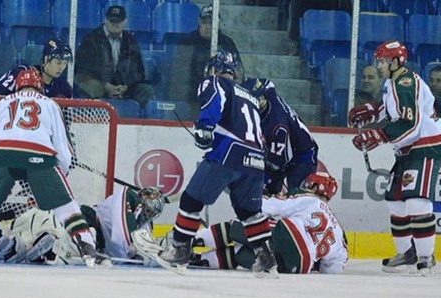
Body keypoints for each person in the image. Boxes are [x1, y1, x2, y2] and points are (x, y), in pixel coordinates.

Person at [134, 49, 277, 277]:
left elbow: (213, 101)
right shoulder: (250, 95)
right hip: (256, 159)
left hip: (228, 154)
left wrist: (205, 127)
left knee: (191, 200)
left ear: (214, 69)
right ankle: (266, 256)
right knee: (248, 211)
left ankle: (180, 249)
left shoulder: (215, 81)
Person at [0, 69, 100, 268]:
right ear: (40, 87)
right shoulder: (50, 104)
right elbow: (63, 149)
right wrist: (60, 172)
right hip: (39, 155)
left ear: (17, 86)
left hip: (1, 154)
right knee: (66, 208)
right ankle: (88, 251)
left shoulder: (1, 103)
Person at [347, 41, 441, 276]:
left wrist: (378, 135)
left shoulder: (405, 83)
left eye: (382, 61)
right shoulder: (393, 83)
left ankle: (426, 257)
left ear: (395, 61)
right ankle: (407, 254)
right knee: (395, 200)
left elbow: (410, 125)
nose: (379, 65)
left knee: (416, 201)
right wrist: (373, 111)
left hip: (425, 147)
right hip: (407, 149)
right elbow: (394, 108)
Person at [191, 172, 347, 274]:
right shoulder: (339, 233)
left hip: (289, 237)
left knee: (242, 225)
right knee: (243, 254)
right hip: (299, 266)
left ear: (314, 187)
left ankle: (190, 240)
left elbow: (267, 207)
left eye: (308, 184)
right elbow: (333, 268)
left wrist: (259, 195)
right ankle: (201, 260)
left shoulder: (309, 199)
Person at [0, 186, 166, 266]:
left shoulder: (145, 227)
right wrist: (137, 251)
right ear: (141, 200)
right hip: (87, 220)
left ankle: (23, 247)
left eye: (152, 213)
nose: (148, 215)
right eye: (148, 210)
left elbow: (144, 250)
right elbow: (122, 237)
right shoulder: (128, 196)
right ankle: (11, 241)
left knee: (62, 238)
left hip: (96, 244)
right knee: (44, 216)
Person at [241, 78, 318, 194]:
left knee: (293, 196)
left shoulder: (277, 126)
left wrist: (268, 182)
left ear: (260, 99)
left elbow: (280, 163)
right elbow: (267, 83)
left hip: (303, 155)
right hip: (287, 150)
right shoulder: (269, 94)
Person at [74, 5, 154, 106]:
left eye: (119, 21)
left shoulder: (130, 41)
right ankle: (91, 117)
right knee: (91, 86)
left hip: (124, 87)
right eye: (112, 21)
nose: (115, 24)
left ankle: (140, 120)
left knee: (146, 90)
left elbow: (139, 71)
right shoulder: (91, 39)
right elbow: (83, 68)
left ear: (125, 22)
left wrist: (126, 86)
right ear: (105, 20)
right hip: (99, 84)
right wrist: (105, 85)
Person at [168, 5, 242, 114]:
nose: (208, 26)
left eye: (211, 23)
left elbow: (239, 74)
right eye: (204, 22)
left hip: (222, 98)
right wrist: (199, 93)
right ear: (199, 22)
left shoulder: (227, 44)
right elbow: (179, 75)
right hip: (193, 99)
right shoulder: (187, 42)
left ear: (218, 23)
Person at [0, 38, 73, 98]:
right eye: (58, 63)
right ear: (46, 59)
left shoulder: (64, 88)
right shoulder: (23, 72)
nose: (61, 67)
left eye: (64, 64)